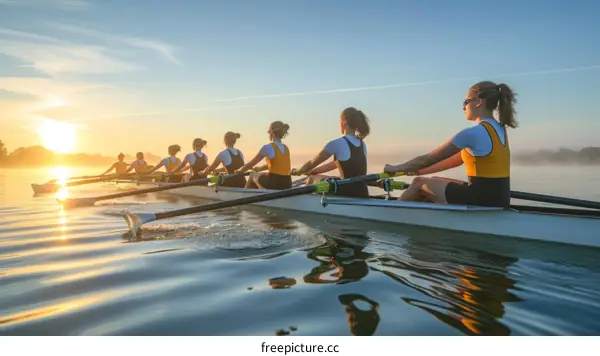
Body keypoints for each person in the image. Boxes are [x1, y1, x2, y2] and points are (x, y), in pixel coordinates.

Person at [383, 81, 517, 208]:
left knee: (419, 183)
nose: (463, 107)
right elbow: (455, 160)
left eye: (466, 101)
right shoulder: (499, 129)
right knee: (433, 180)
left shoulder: (473, 133)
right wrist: (417, 170)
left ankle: (390, 215)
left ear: (479, 102)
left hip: (481, 200)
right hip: (500, 198)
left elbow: (428, 159)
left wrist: (396, 168)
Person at [292, 107, 370, 198]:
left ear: (344, 122)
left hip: (346, 192)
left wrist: (298, 171)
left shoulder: (336, 143)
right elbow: (336, 164)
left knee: (312, 178)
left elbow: (312, 163)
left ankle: (305, 203)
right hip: (363, 192)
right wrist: (312, 171)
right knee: (320, 176)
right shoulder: (362, 144)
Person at [234, 121, 292, 190]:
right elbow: (277, 164)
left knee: (252, 175)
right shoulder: (286, 148)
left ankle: (243, 197)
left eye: (268, 132)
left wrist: (240, 171)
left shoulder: (267, 147)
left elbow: (251, 163)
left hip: (274, 183)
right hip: (287, 183)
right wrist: (260, 169)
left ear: (272, 132)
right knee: (264, 174)